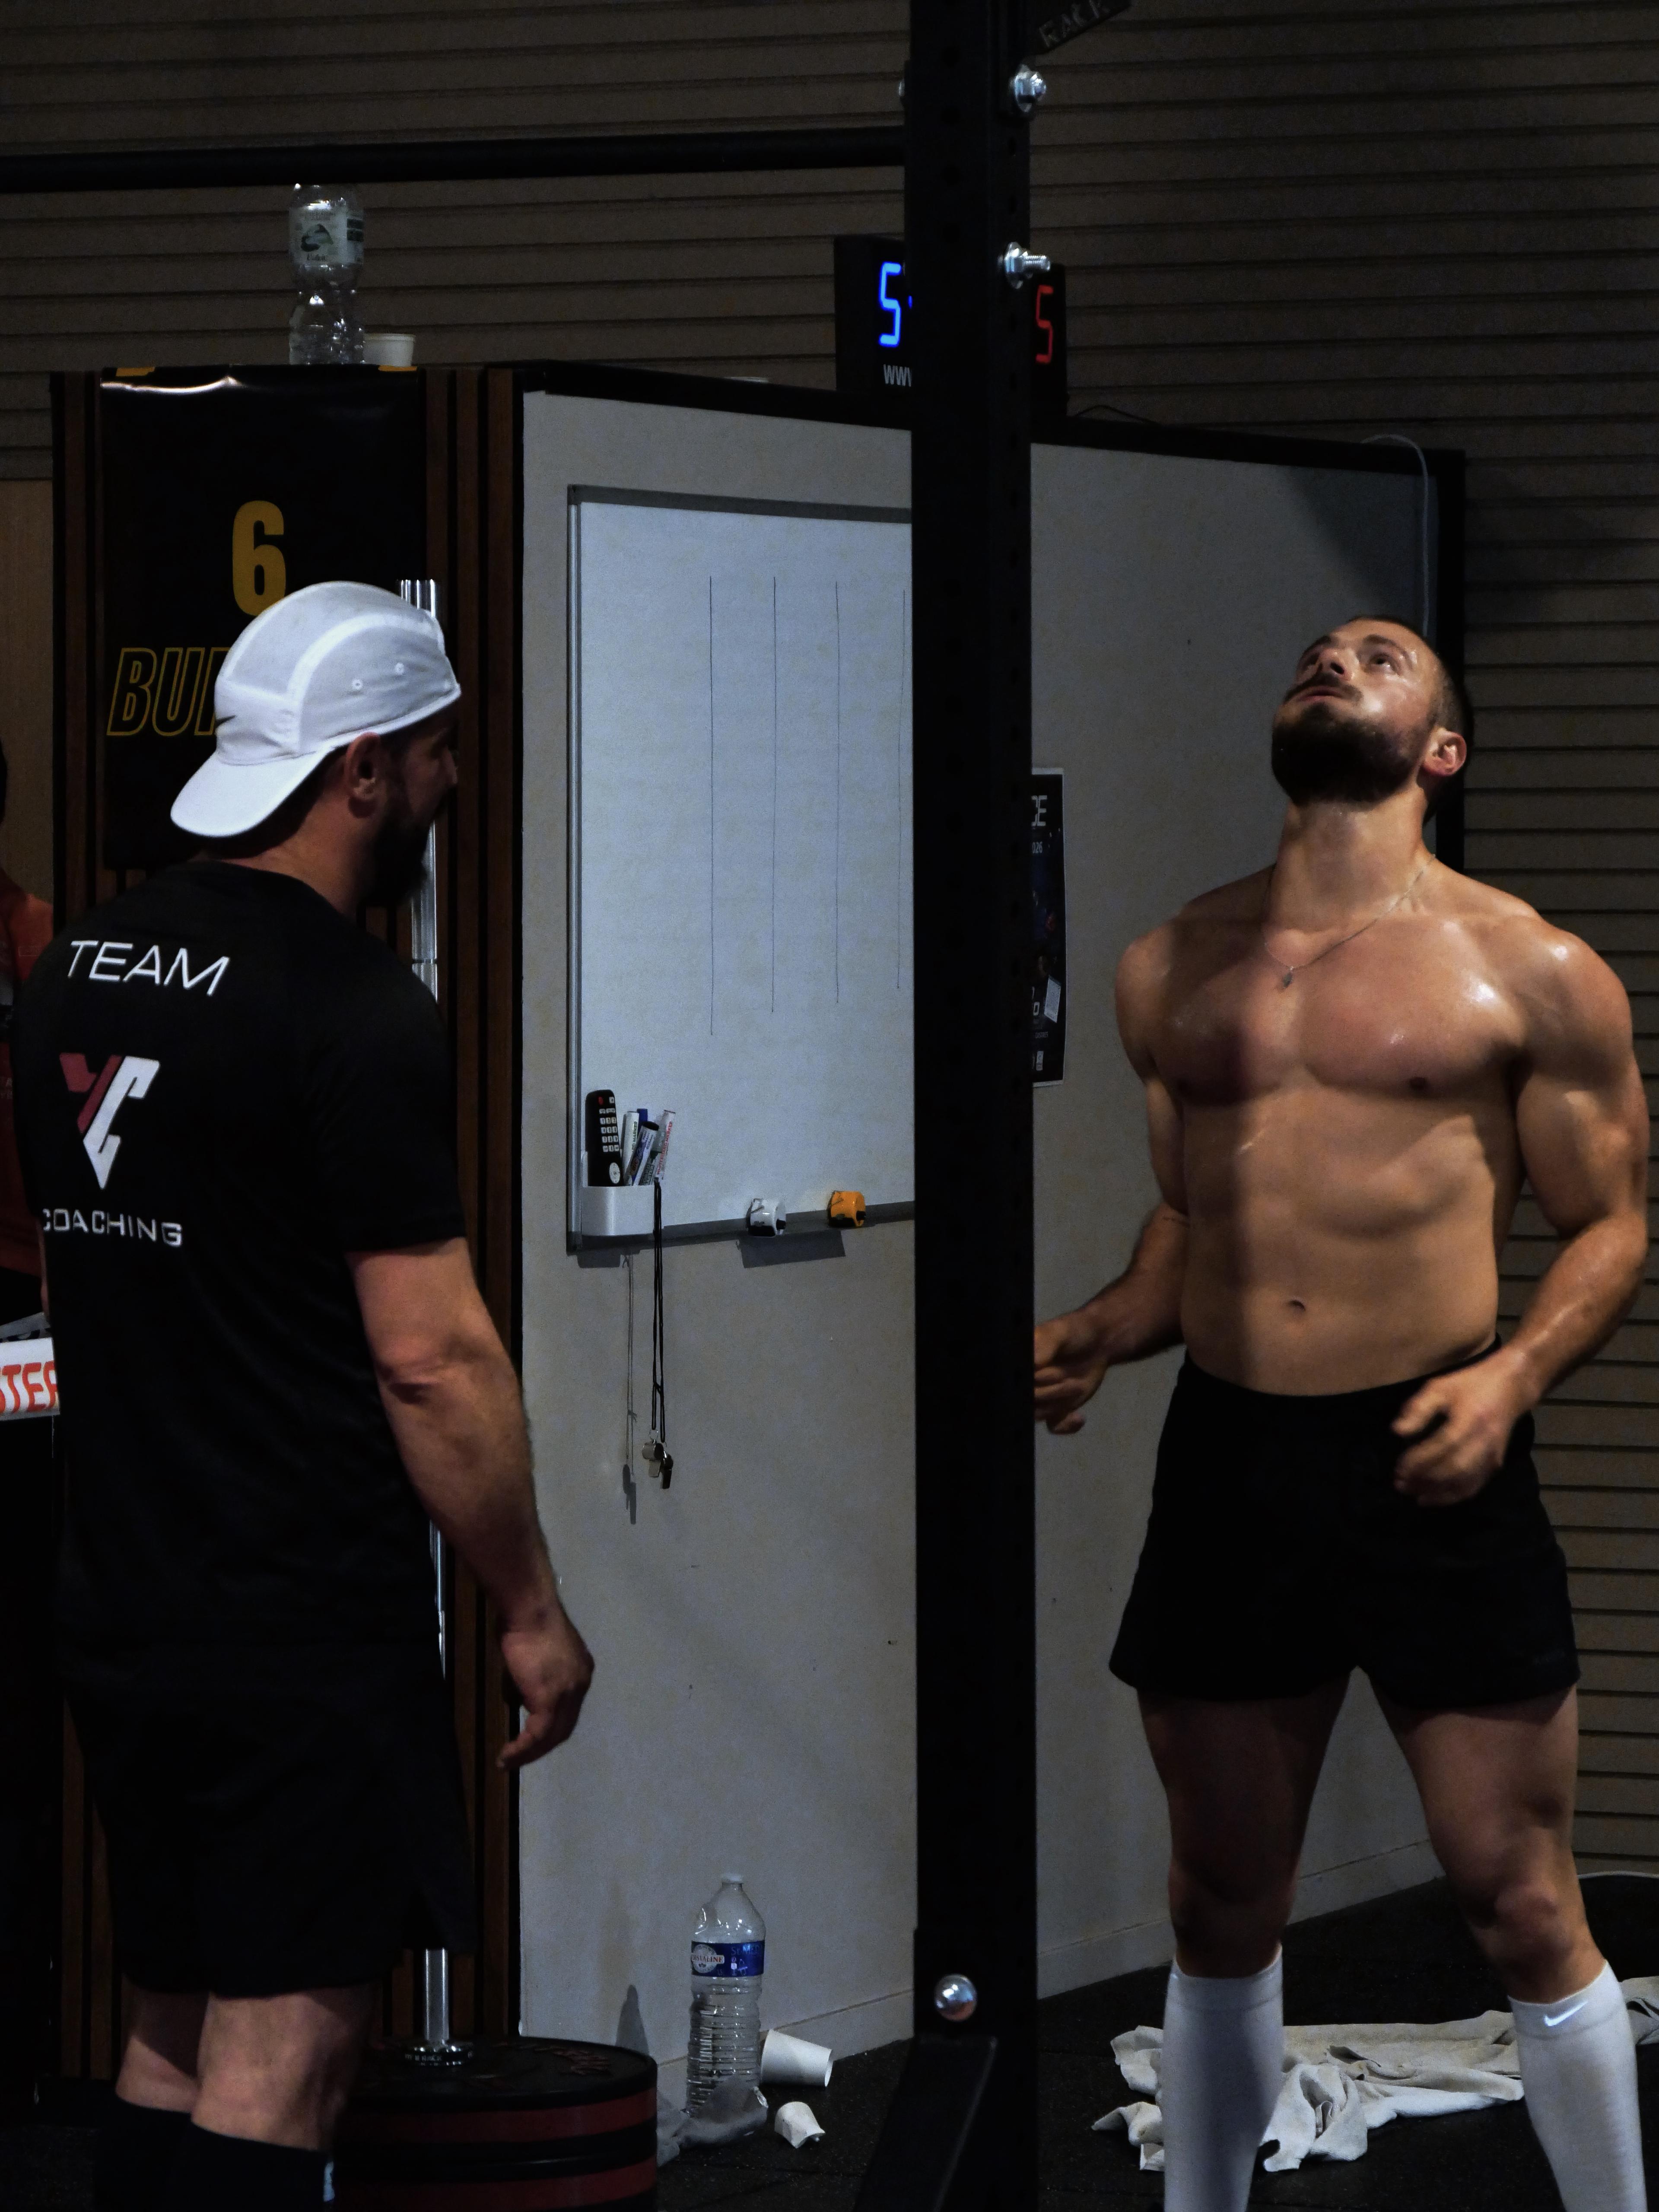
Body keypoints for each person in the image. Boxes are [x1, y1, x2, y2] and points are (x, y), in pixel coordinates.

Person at [1033, 617, 1649, 2212]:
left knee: (1516, 1899)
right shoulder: (1169, 966)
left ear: (1443, 750)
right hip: (1237, 1460)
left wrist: (1511, 1378)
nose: (1335, 661)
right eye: (1318, 651)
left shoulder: (1529, 965)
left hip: (1436, 1460)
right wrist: (1105, 1328)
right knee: (1222, 1902)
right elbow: (1197, 1226)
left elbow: (1613, 1221)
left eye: (1383, 657)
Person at [13, 582, 594, 2211]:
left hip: (123, 1598)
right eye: (436, 754)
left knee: (172, 2036)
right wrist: (529, 1606)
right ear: (361, 773)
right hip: (295, 1618)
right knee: (289, 2065)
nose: (453, 784)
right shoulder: (353, 1010)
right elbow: (432, 1356)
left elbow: (89, 1283)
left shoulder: (75, 972)